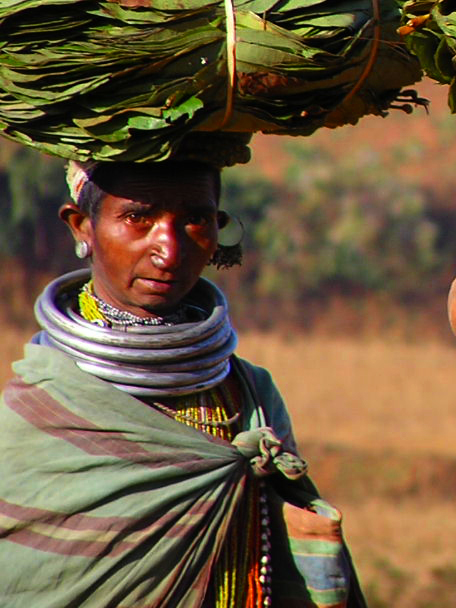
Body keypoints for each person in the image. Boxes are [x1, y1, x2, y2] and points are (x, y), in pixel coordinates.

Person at [0, 157, 362, 608]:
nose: (168, 250)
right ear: (82, 227)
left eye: (195, 219)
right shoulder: (39, 409)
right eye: (137, 217)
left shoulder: (247, 392)